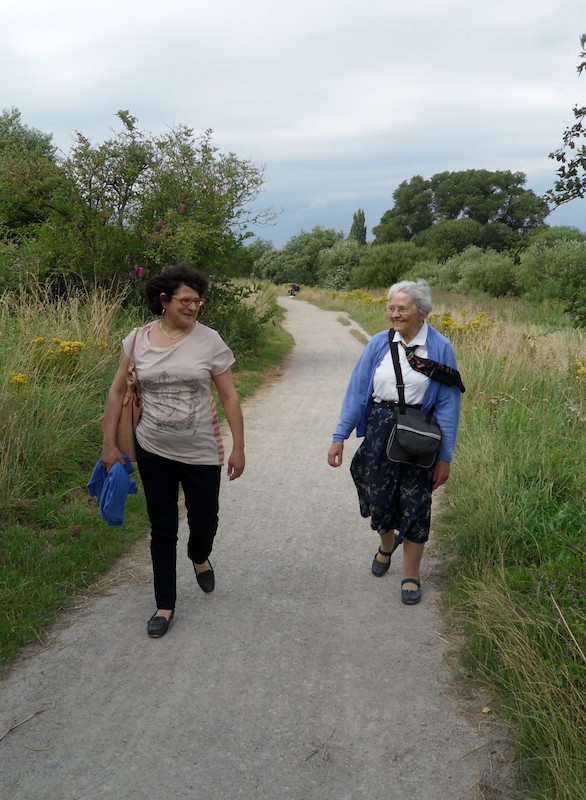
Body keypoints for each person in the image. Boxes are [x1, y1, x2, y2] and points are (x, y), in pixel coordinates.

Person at [101, 263, 245, 637]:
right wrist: (110, 444)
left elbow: (229, 396)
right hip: (153, 449)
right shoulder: (137, 340)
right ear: (164, 300)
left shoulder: (210, 341)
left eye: (198, 302)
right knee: (162, 528)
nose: (193, 307)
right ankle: (164, 605)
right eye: (186, 301)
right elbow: (117, 393)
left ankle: (199, 555)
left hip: (203, 450)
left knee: (205, 520)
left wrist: (239, 447)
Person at [327, 280, 464, 605]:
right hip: (379, 429)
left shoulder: (440, 347)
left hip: (419, 434)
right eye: (391, 308)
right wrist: (339, 436)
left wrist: (445, 457)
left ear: (422, 311)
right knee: (380, 498)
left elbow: (448, 405)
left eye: (401, 308)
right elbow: (358, 392)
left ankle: (410, 574)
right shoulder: (379, 343)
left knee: (416, 504)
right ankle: (387, 545)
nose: (394, 314)